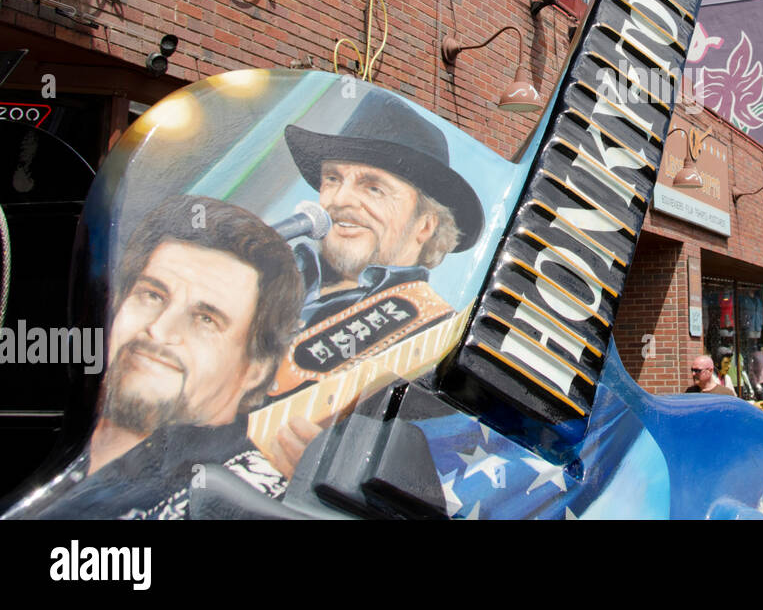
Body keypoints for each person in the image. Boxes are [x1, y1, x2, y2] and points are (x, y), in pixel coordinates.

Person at [16, 196, 305, 519]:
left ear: (256, 369)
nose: (160, 329)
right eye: (152, 295)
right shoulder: (34, 432)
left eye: (206, 319)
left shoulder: (252, 500)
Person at [283, 87, 484, 328]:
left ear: (426, 225)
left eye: (374, 188)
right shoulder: (276, 282)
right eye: (333, 179)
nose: (339, 199)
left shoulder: (431, 333)